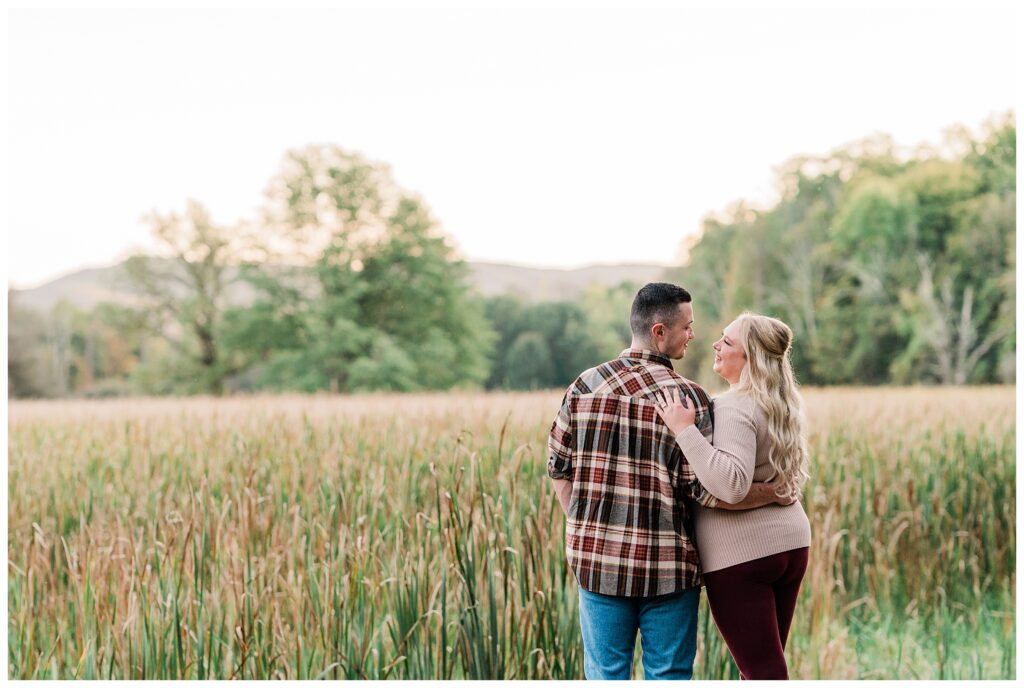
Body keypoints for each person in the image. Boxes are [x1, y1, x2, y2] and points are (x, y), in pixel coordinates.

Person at [547, 283, 791, 681]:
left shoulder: (585, 386)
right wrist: (774, 492)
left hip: (597, 566)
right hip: (669, 571)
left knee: (606, 675)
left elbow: (558, 468)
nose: (694, 335)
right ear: (660, 332)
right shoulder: (691, 399)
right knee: (670, 675)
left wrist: (586, 527)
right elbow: (713, 492)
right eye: (687, 327)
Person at [654, 312, 812, 680]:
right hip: (791, 544)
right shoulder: (781, 402)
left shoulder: (733, 405)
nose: (715, 345)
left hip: (743, 555)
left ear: (750, 358)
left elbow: (731, 484)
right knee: (765, 666)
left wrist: (684, 430)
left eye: (727, 341)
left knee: (762, 671)